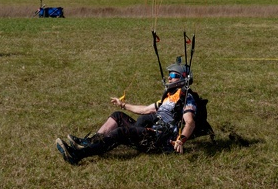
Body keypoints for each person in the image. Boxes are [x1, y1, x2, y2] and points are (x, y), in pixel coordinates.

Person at [56, 60, 198, 165]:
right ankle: (90, 142)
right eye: (169, 74)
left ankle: (77, 155)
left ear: (183, 79)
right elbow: (145, 109)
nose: (169, 77)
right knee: (117, 115)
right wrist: (123, 104)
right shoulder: (169, 95)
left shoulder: (186, 98)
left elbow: (190, 122)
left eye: (173, 75)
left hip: (159, 140)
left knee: (121, 132)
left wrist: (181, 139)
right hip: (150, 131)